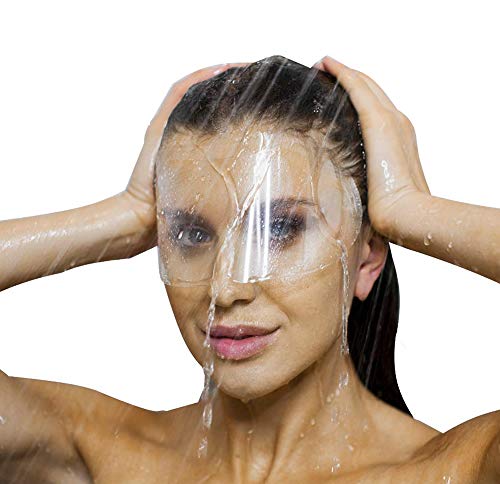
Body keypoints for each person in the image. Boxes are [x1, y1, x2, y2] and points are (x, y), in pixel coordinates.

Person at [0, 55, 498, 483]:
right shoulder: (102, 455)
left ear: (366, 256)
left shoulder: (456, 470)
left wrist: (412, 210)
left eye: (280, 228)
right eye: (191, 233)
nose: (226, 287)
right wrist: (124, 214)